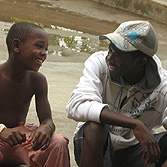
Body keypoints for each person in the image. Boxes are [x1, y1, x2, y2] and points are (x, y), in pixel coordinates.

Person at [66, 20, 167, 167]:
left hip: (136, 153)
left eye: (118, 55)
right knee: (95, 127)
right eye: (110, 49)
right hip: (95, 147)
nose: (110, 58)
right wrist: (135, 124)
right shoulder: (99, 63)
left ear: (140, 62)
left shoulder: (163, 86)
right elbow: (76, 105)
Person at [0, 22, 70, 167]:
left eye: (46, 49)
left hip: (19, 141)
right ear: (16, 46)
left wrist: (45, 128)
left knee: (58, 142)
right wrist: (1, 130)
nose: (44, 53)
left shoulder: (37, 80)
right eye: (38, 46)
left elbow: (47, 120)